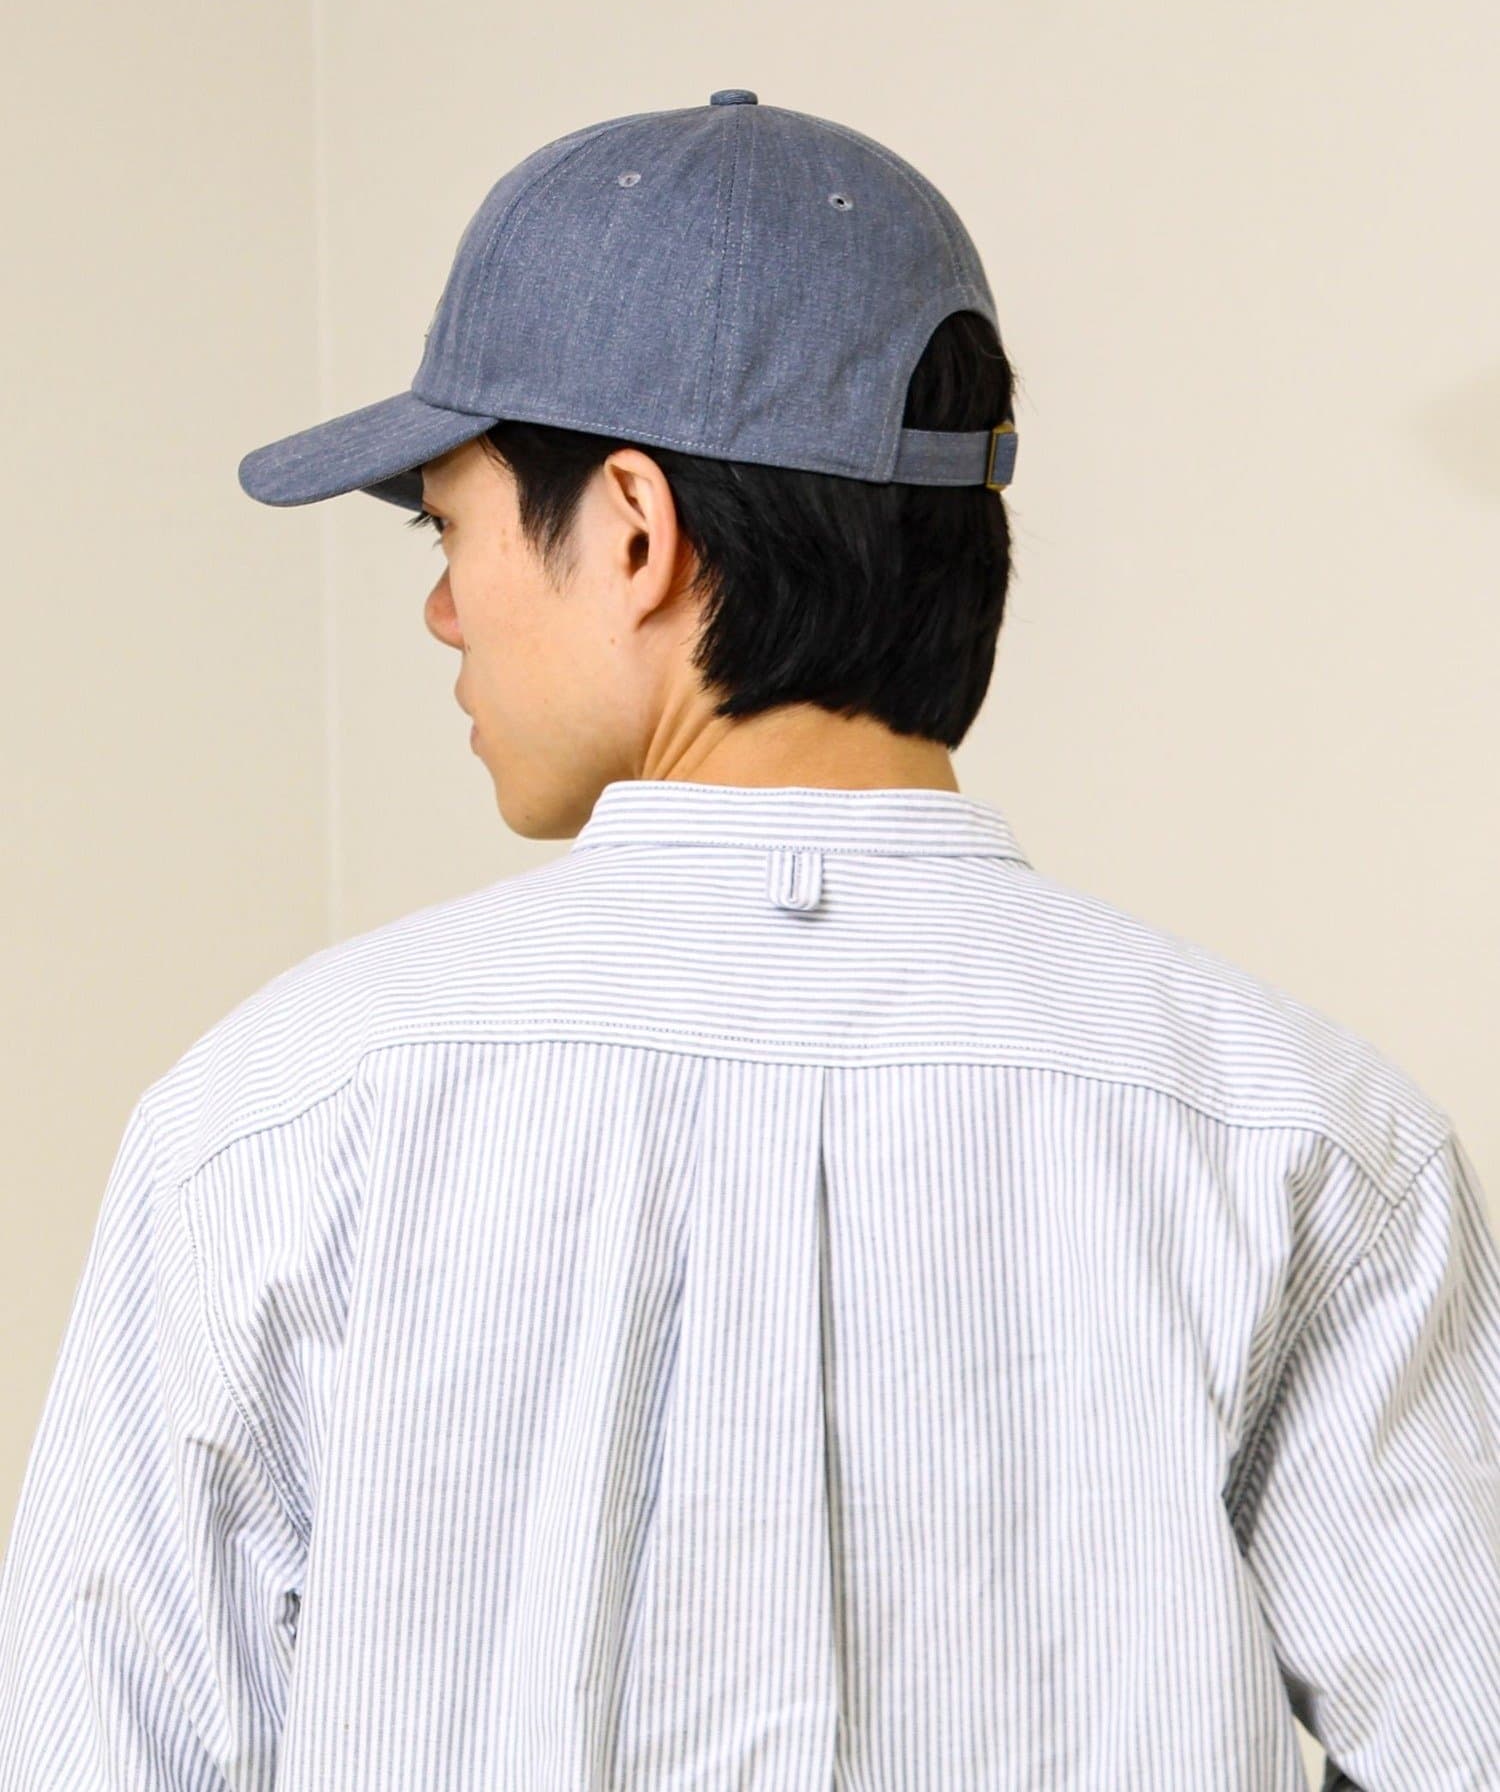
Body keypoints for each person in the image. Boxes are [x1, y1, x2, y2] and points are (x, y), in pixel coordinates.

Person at [1, 88, 1496, 1792]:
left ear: (634, 531)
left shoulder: (277, 1121)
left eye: (447, 526)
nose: (440, 608)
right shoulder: (1305, 1141)